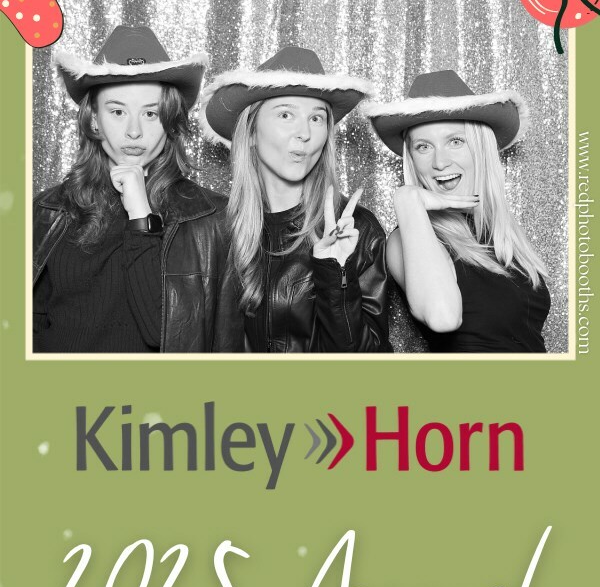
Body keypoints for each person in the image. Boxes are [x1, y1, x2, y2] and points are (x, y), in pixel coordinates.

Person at [33, 25, 240, 355]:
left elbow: (163, 333)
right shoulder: (47, 212)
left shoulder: (214, 219)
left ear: (170, 120)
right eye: (117, 111)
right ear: (94, 120)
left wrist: (140, 215)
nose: (134, 131)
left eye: (151, 113)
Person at [201, 45, 391, 354]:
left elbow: (369, 365)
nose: (304, 133)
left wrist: (337, 273)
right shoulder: (213, 230)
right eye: (286, 114)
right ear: (251, 131)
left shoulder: (358, 230)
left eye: (316, 118)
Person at [367, 68, 550, 354]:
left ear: (480, 148)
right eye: (423, 147)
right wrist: (407, 200)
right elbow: (442, 317)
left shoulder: (499, 235)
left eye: (455, 141)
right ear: (411, 159)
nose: (440, 162)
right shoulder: (406, 238)